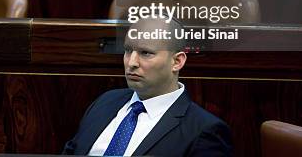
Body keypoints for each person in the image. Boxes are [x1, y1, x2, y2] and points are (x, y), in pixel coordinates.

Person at [63, 17, 232, 156]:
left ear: (177, 61)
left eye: (146, 53)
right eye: (128, 50)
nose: (131, 63)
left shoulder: (204, 130)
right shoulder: (105, 102)